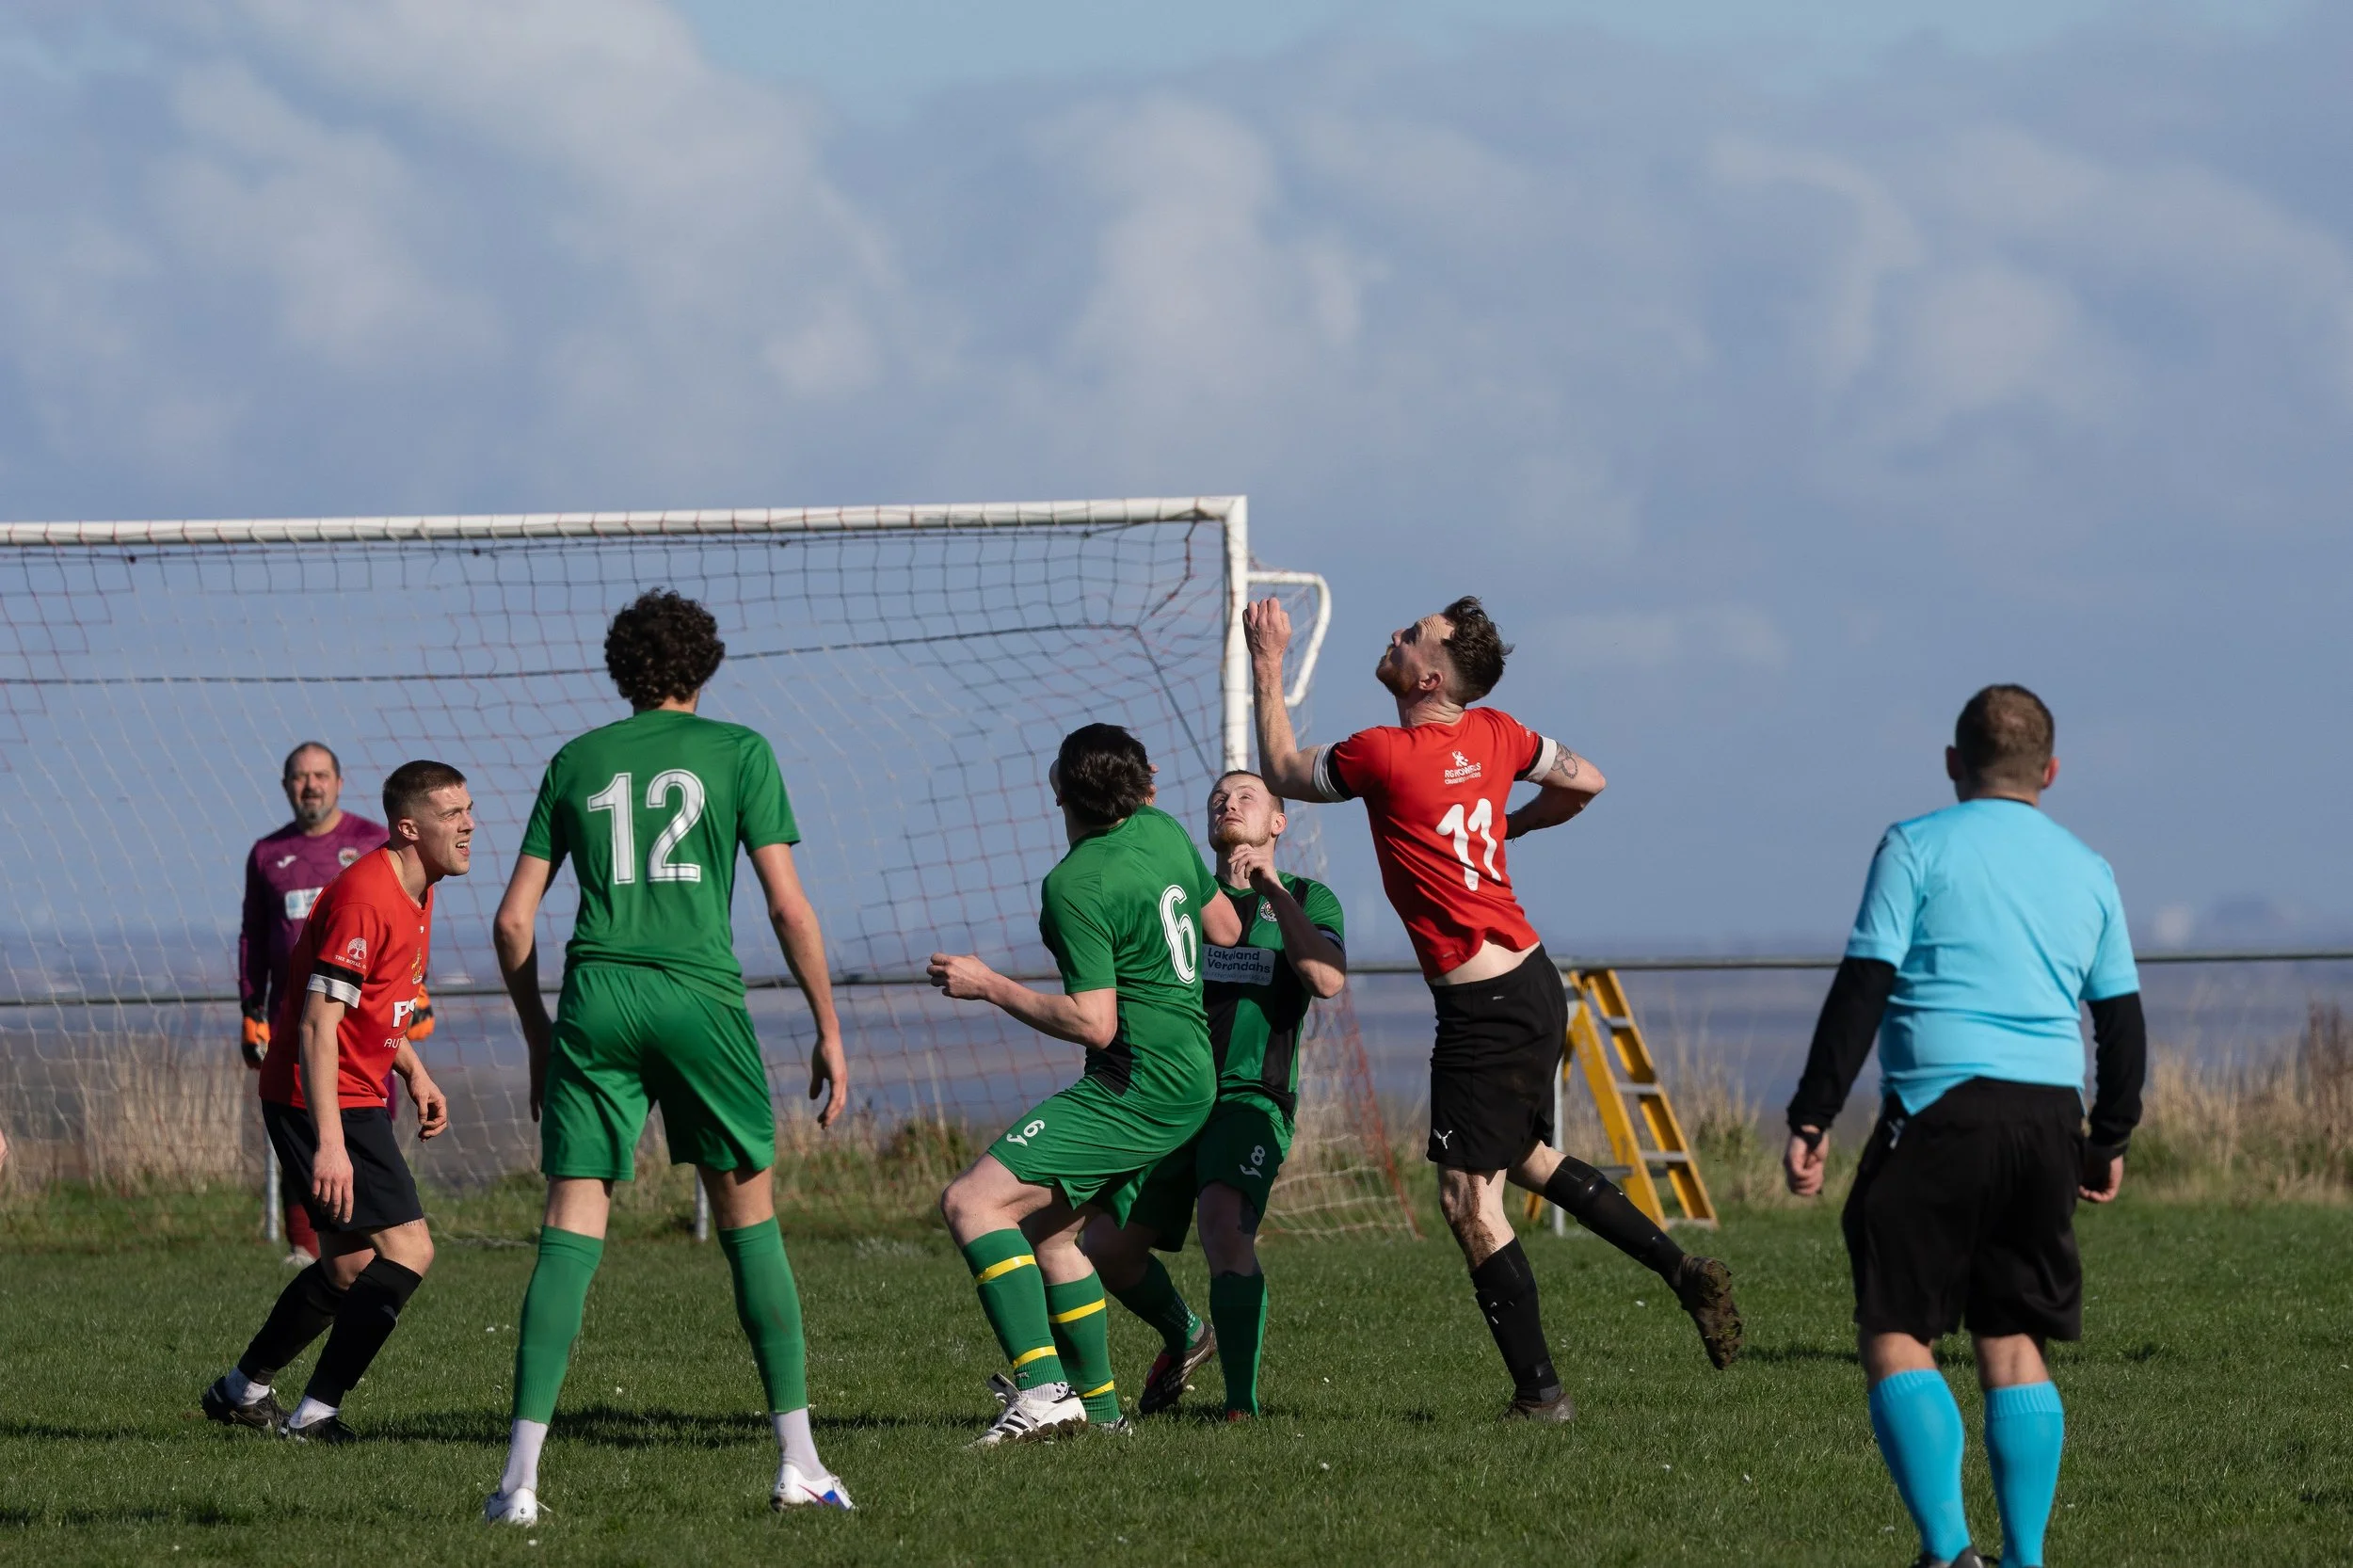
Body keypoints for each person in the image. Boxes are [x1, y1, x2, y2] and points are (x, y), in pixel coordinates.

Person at [1246, 594, 1742, 1420]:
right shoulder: (1500, 733)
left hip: (1484, 1008)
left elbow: (1281, 770)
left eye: (1409, 637)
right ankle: (1682, 1271)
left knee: (1468, 1203)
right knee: (1527, 1160)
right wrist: (1510, 828)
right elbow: (1588, 780)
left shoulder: (1383, 753)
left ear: (1430, 675)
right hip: (1533, 982)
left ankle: (1539, 1396)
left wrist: (1268, 660)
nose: (1394, 637)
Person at [484, 590, 854, 1525]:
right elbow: (786, 907)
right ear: (705, 666)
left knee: (571, 1222)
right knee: (748, 1221)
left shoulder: (577, 759)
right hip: (697, 996)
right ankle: (800, 1462)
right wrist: (829, 1026)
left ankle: (519, 1482)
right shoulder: (740, 752)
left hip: (597, 998)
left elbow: (513, 918)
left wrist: (540, 1035)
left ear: (621, 670)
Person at [1783, 684, 2146, 1568]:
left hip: (1940, 1115)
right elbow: (2122, 1019)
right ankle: (2025, 1558)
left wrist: (1814, 1113)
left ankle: (1949, 1553)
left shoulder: (1915, 846)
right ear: (2050, 773)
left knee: (1897, 1329)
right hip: (2047, 1119)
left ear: (1953, 762)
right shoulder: (2088, 867)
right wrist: (2109, 1136)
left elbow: (1864, 983)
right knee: (2012, 1337)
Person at [929, 724, 1241, 1445]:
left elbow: (1094, 1022)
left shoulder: (1074, 884)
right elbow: (1223, 927)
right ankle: (1102, 1418)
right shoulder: (1164, 831)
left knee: (973, 1204)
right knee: (1051, 1235)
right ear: (1146, 788)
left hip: (1138, 1080)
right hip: (1189, 1070)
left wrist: (989, 985)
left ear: (1057, 789)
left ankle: (1044, 1392)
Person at [200, 760, 470, 1443]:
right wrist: (328, 1144)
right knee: (410, 1250)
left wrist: (413, 1070)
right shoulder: (365, 897)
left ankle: (241, 1389)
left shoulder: (420, 885)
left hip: (349, 1089)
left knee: (349, 1268)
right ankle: (316, 1412)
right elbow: (319, 1024)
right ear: (409, 828)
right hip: (317, 1095)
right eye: (452, 815)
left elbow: (376, 1005)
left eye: (469, 811)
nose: (468, 826)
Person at [1082, 769, 1346, 1419]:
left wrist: (1273, 891)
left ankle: (1239, 1408)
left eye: (1246, 796)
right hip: (1169, 1095)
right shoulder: (1178, 903)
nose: (1228, 804)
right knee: (1105, 1246)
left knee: (1225, 1227)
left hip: (1250, 1098)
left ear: (1278, 823)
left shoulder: (1310, 898)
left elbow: (1325, 980)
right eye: (1217, 800)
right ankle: (1185, 1334)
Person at [238, 742, 398, 1264]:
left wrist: (416, 993)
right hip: (294, 1014)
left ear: (339, 781)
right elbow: (254, 937)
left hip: (360, 1013)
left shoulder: (373, 841)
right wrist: (251, 1007)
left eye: (321, 775)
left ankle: (370, 1238)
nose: (311, 785)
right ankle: (305, 1248)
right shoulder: (267, 854)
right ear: (287, 785)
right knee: (298, 1124)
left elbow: (402, 922)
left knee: (366, 1124)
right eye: (301, 776)